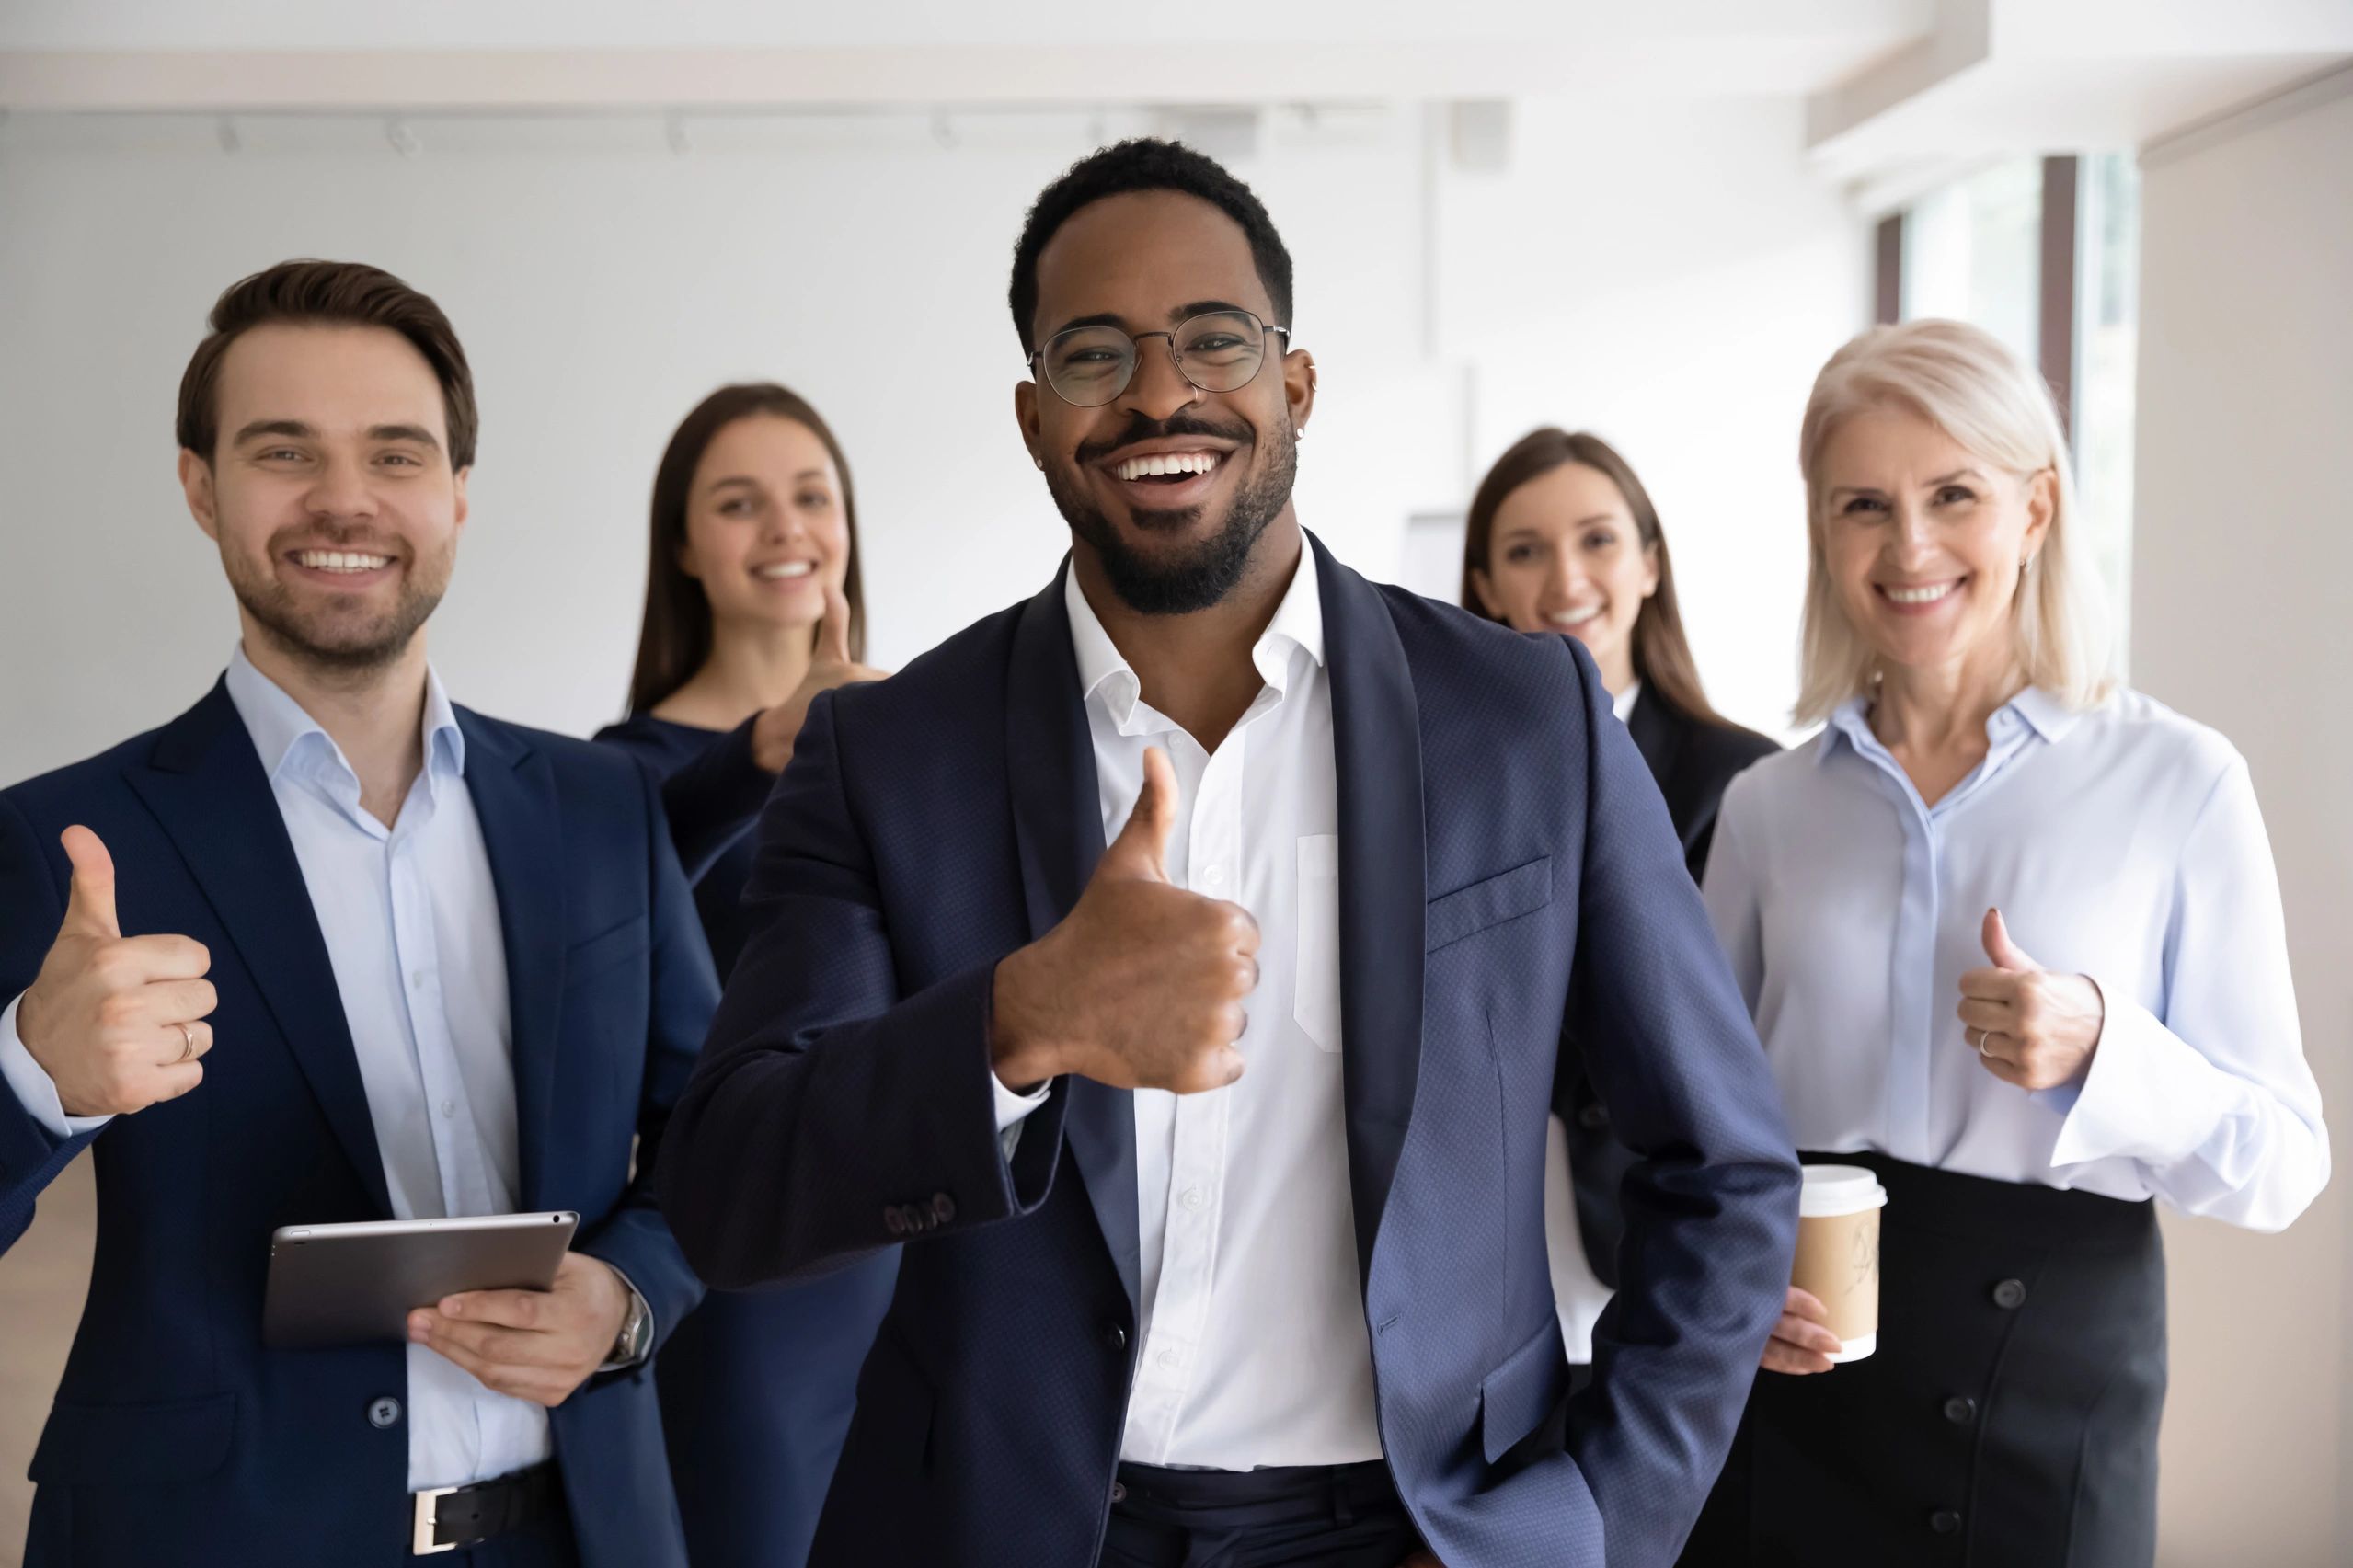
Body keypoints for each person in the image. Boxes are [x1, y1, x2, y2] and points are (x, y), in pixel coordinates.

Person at [660, 137, 1799, 1568]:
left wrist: (1588, 1527)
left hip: (1420, 1533)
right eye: (1093, 354)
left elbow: (1724, 1171)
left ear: (1294, 382)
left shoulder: (1525, 718)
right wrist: (1021, 1022)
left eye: (1212, 338)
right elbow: (731, 1190)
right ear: (1030, 416)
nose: (1156, 391)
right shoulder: (886, 754)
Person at [0, 260, 715, 1568]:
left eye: (395, 453)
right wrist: (35, 1075)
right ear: (200, 486)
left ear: (454, 496)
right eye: (285, 452)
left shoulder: (603, 806)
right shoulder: (64, 838)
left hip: (581, 1536)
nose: (344, 500)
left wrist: (626, 1299)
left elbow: (718, 1129)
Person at [1682, 319, 2329, 1566]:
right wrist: (1727, 1276)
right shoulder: (1769, 808)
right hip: (1796, 1379)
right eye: (1861, 504)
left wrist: (2106, 1050)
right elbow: (1705, 1119)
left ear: (2034, 510)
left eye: (1952, 496)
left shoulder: (2178, 781)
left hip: (2045, 1394)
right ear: (1821, 532)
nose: (1907, 546)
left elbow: (2281, 1163)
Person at [595, 383, 889, 1568]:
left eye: (810, 496)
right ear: (682, 546)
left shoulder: (907, 734)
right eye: (738, 502)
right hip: (750, 1266)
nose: (784, 529)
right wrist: (768, 747)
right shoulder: (623, 775)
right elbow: (641, 868)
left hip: (915, 1244)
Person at [1462, 427, 1780, 1364]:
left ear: (1649, 564)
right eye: (1524, 551)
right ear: (1483, 585)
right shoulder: (1435, 781)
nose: (1565, 578)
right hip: (1475, 1228)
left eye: (1597, 540)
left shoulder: (1742, 782)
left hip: (1652, 1225)